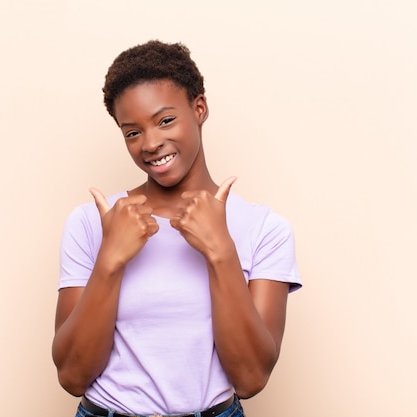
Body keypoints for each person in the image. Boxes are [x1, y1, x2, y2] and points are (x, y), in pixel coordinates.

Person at [52, 40, 302, 417]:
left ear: (199, 108)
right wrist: (110, 260)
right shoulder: (92, 222)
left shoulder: (265, 228)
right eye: (132, 132)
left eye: (165, 120)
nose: (151, 144)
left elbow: (251, 379)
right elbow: (72, 376)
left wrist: (221, 250)